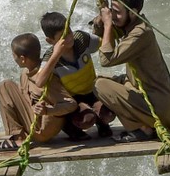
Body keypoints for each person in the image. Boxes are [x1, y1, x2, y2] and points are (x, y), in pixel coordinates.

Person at [92, 0, 170, 143]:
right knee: (105, 79)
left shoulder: (140, 33)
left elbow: (106, 59)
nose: (113, 15)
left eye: (117, 12)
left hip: (157, 107)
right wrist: (102, 21)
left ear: (133, 13)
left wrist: (108, 24)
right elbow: (108, 36)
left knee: (100, 86)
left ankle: (141, 129)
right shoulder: (133, 24)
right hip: (152, 96)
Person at [0, 33, 77, 151]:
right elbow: (23, 99)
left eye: (13, 55)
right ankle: (19, 134)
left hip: (42, 129)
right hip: (34, 122)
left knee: (5, 86)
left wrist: (49, 110)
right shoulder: (26, 73)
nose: (13, 58)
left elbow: (71, 104)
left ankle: (17, 138)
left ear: (22, 59)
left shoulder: (46, 78)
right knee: (9, 86)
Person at [39, 12, 116, 140]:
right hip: (73, 100)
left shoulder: (81, 39)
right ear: (50, 41)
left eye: (69, 32)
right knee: (87, 119)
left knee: (109, 114)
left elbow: (103, 43)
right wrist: (56, 54)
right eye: (63, 37)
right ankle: (69, 127)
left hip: (92, 90)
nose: (69, 38)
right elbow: (39, 82)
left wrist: (105, 25)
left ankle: (102, 123)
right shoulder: (50, 57)